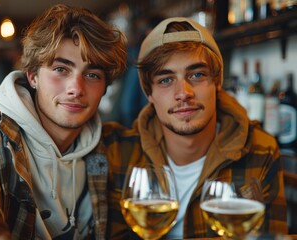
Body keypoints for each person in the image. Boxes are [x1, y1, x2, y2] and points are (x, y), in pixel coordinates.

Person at [0, 4, 126, 239]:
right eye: (60, 69)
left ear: (105, 88)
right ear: (33, 76)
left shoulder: (109, 144)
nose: (75, 89)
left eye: (92, 75)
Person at [103, 17, 288, 239]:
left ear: (217, 83)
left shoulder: (260, 150)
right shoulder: (117, 151)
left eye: (197, 75)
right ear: (148, 93)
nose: (184, 93)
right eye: (165, 80)